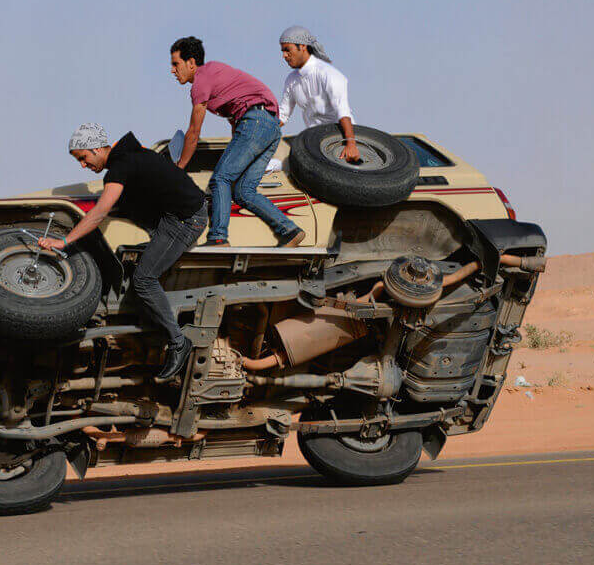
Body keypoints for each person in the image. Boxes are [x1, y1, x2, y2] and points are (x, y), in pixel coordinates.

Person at [39, 123, 208, 382]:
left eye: (83, 158)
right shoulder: (132, 155)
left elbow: (98, 214)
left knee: (143, 280)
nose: (83, 165)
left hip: (185, 221)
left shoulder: (120, 167)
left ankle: (178, 342)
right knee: (122, 207)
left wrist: (64, 241)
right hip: (170, 215)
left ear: (96, 149)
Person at [170, 36, 305, 247]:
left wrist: (179, 169)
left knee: (220, 179)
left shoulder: (202, 80)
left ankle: (218, 237)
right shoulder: (216, 74)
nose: (172, 70)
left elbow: (194, 132)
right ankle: (290, 230)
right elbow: (236, 121)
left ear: (191, 63)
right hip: (269, 126)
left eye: (175, 64)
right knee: (243, 192)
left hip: (256, 122)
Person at [278, 25, 361, 162]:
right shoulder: (291, 80)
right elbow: (283, 114)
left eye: (287, 50)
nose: (284, 55)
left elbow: (343, 110)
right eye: (282, 51)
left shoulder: (328, 74)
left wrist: (351, 143)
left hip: (342, 139)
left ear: (302, 47)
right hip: (316, 142)